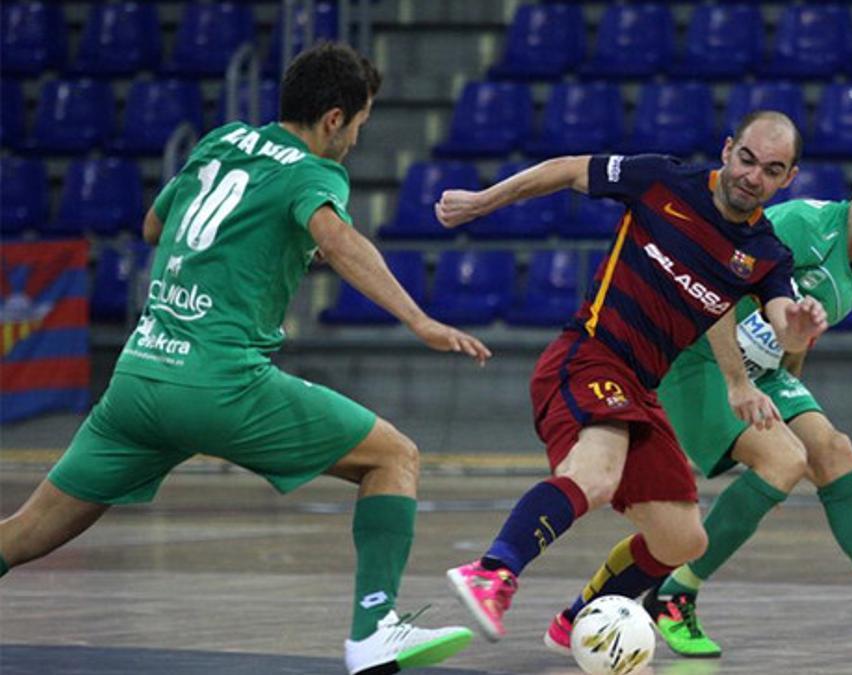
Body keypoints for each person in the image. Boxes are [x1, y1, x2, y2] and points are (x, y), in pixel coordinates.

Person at [0, 43, 490, 675]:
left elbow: (155, 226)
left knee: (25, 531)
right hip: (219, 384)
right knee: (394, 457)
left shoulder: (222, 140)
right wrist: (419, 319)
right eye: (361, 125)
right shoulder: (314, 173)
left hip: (140, 379)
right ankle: (374, 632)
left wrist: (254, 245)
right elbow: (339, 241)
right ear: (334, 119)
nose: (357, 140)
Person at [543, 156, 852, 662]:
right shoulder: (802, 224)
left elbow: (798, 335)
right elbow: (713, 290)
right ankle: (675, 593)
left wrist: (789, 388)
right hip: (698, 355)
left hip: (764, 371)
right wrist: (736, 383)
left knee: (832, 452)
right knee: (784, 460)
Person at [436, 111, 829, 643]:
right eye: (747, 159)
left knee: (684, 541)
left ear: (789, 178)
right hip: (589, 354)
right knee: (596, 473)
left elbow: (784, 321)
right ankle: (493, 570)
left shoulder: (765, 255)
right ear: (727, 149)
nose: (753, 176)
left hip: (640, 390)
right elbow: (568, 169)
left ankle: (580, 618)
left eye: (771, 169)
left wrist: (799, 329)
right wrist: (484, 201)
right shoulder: (662, 181)